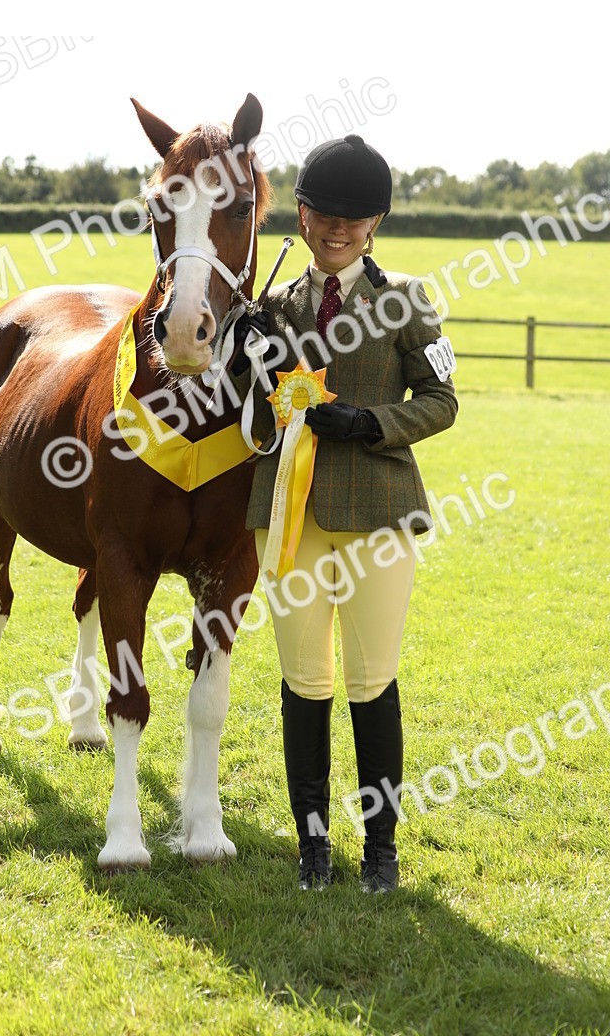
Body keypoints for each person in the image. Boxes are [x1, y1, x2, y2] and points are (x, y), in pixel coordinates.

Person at [233, 134, 458, 892]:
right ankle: (313, 847)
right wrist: (246, 352)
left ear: (377, 223)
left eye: (356, 219)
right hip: (287, 516)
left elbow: (441, 401)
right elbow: (245, 413)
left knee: (372, 680)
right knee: (304, 680)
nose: (339, 229)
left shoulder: (406, 301)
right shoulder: (271, 306)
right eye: (326, 214)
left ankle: (382, 851)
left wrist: (370, 422)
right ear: (300, 214)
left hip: (379, 515)